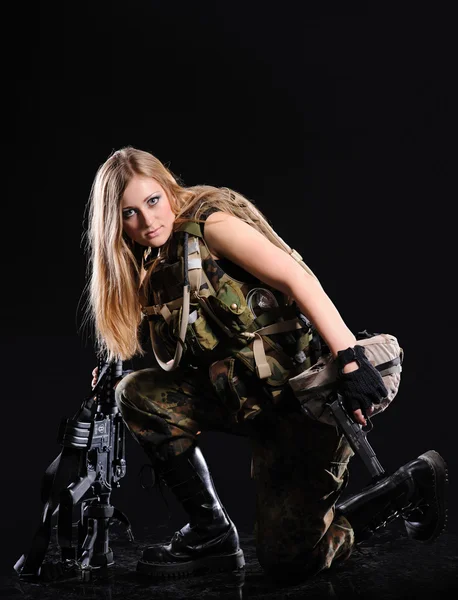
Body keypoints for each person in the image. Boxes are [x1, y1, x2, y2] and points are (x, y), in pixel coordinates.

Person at [85, 146, 447, 580]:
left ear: (166, 188)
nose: (147, 222)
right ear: (115, 223)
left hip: (303, 405)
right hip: (249, 403)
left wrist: (349, 358)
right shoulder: (152, 262)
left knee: (291, 561)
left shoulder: (210, 225)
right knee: (137, 395)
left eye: (152, 201)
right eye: (130, 213)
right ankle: (210, 534)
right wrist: (112, 367)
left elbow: (296, 278)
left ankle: (409, 485)